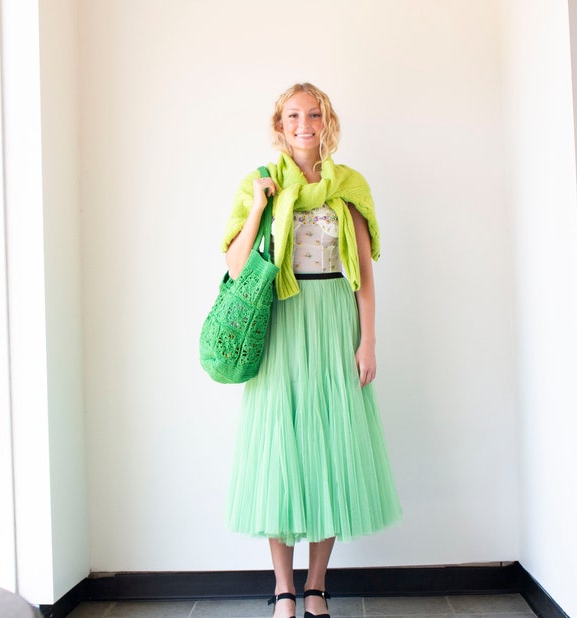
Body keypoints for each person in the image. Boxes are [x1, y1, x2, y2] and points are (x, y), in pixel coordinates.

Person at [222, 83, 402, 618]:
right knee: (278, 447)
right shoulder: (260, 183)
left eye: (314, 114)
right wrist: (259, 205)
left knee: (331, 449)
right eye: (293, 116)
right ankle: (284, 590)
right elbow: (237, 265)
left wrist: (368, 340)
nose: (304, 124)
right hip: (281, 320)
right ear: (280, 125)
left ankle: (317, 587)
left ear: (327, 121)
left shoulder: (349, 187)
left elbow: (362, 272)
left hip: (332, 320)